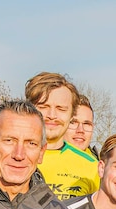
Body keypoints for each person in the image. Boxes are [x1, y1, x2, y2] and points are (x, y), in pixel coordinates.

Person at [25, 72, 98, 200]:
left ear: (71, 114)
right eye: (43, 107)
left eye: (61, 109)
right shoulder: (9, 158)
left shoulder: (91, 166)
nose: (52, 115)